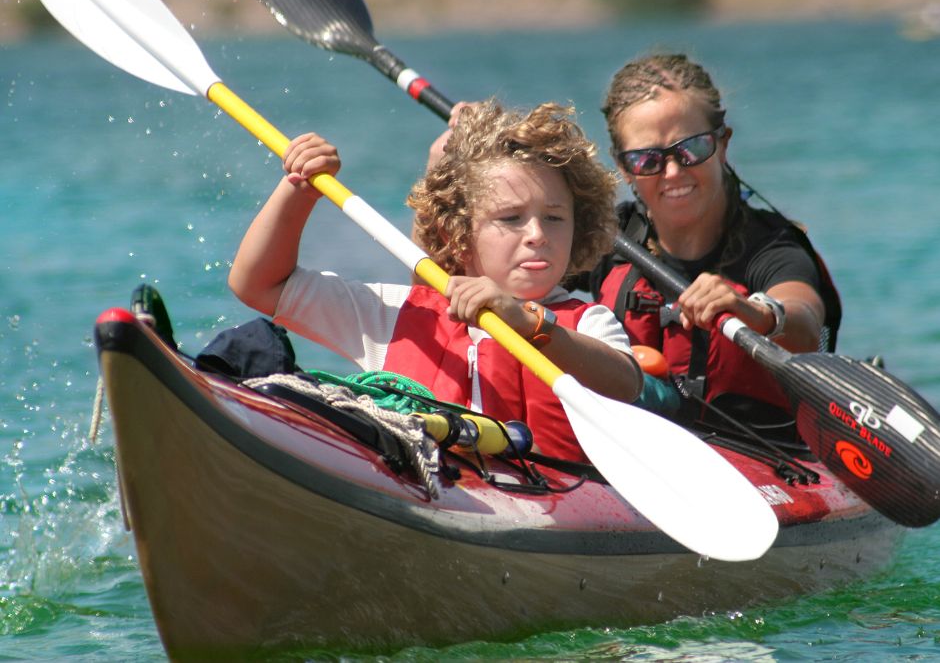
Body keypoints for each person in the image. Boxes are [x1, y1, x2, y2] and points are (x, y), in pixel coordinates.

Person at [228, 99, 646, 462]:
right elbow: (259, 284)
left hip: (555, 502)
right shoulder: (395, 318)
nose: (537, 233)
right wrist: (299, 190)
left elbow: (625, 384)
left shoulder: (588, 322)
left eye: (554, 218)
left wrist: (528, 322)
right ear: (457, 233)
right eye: (511, 218)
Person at [577, 53, 841, 429]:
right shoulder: (607, 237)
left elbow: (803, 322)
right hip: (634, 453)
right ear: (623, 167)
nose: (672, 172)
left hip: (763, 466)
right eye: (647, 159)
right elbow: (514, 252)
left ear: (723, 144)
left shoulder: (772, 246)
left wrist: (756, 312)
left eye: (691, 149)